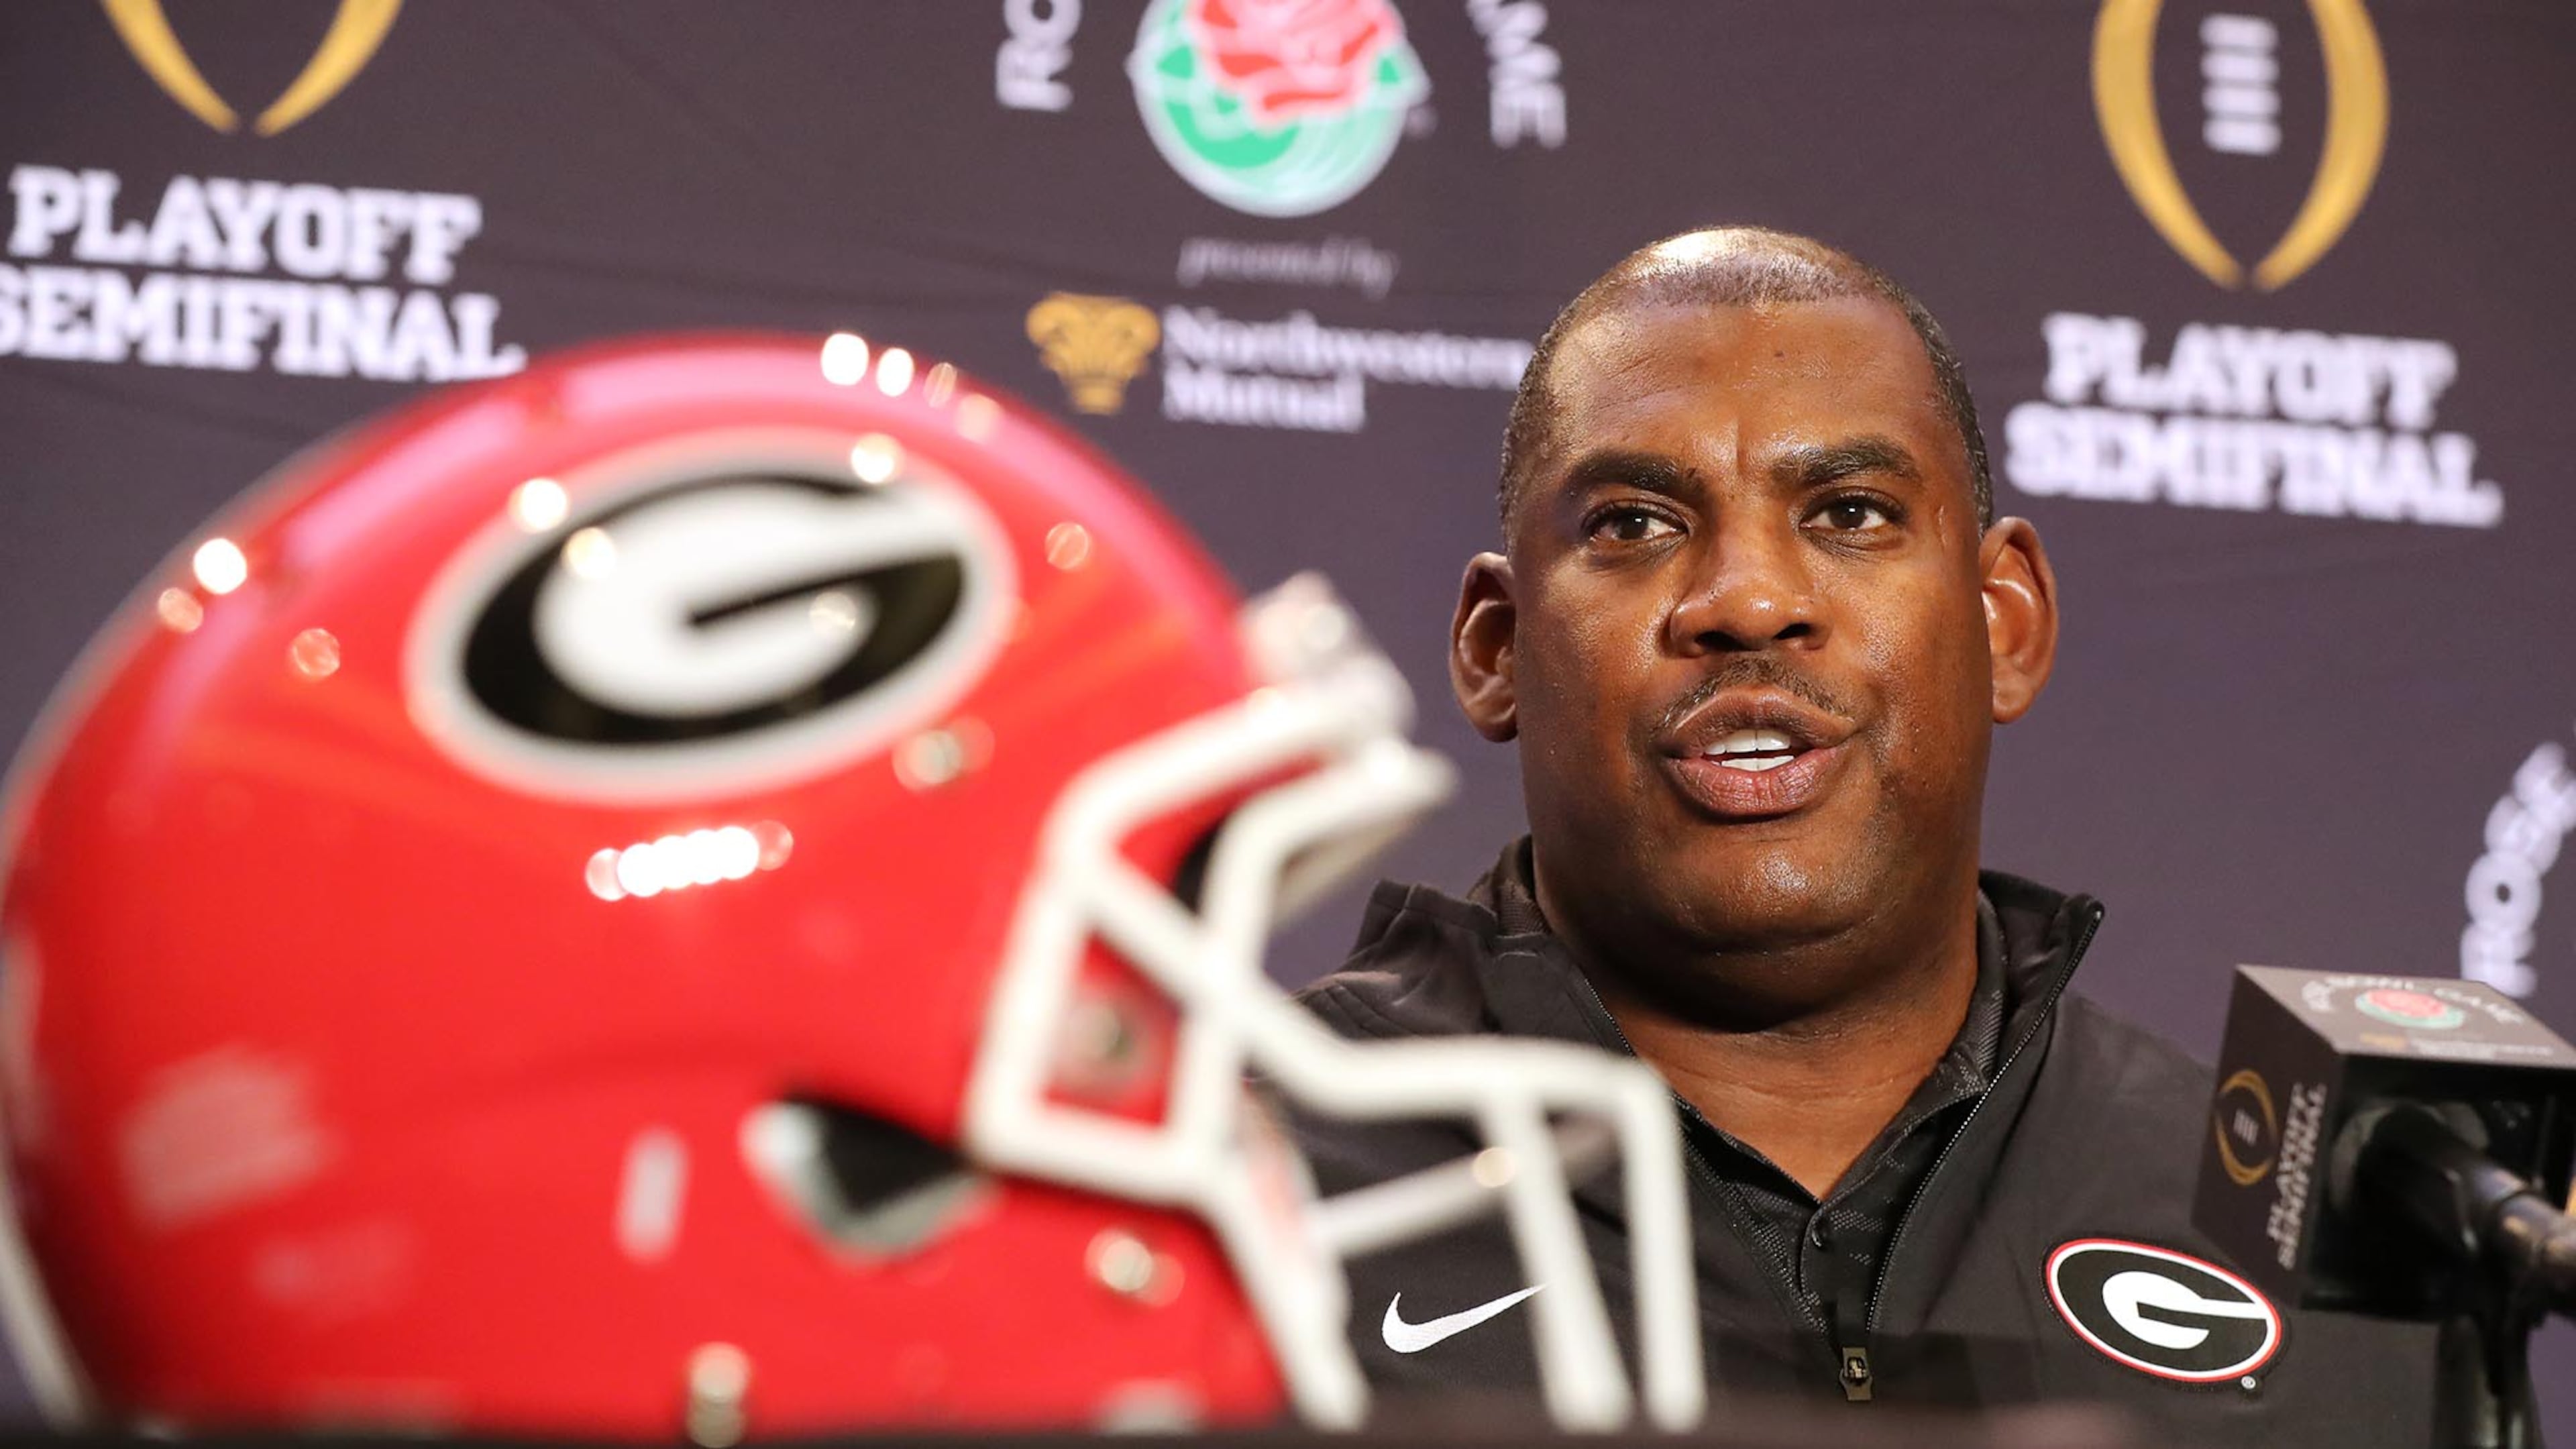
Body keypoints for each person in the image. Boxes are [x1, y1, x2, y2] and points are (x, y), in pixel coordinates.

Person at [1289, 227, 2442, 1439]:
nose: (1749, 603)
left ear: (2006, 623)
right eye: (1634, 524)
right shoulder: (1231, 1189)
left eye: (1849, 513)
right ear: (1494, 649)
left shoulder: (2310, 1239)